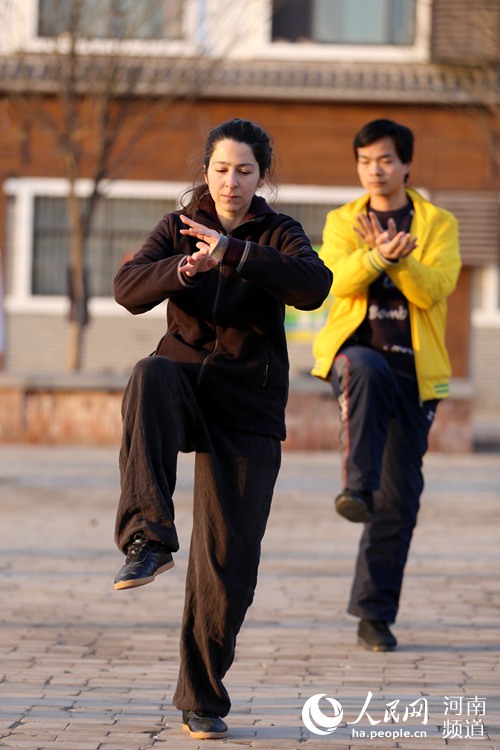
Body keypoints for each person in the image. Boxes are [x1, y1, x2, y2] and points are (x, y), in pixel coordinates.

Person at [112, 118, 333, 739]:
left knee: (227, 564)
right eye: (220, 169)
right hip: (182, 387)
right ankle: (147, 536)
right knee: (149, 373)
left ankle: (201, 696)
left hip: (248, 407)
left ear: (262, 177)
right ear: (204, 172)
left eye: (244, 170)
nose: (230, 181)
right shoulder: (178, 226)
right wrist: (184, 268)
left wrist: (233, 253)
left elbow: (314, 287)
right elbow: (128, 288)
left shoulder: (279, 233)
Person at [312, 118, 461, 652]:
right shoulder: (342, 222)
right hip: (355, 360)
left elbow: (435, 289)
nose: (375, 171)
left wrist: (397, 264)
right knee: (364, 367)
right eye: (365, 161)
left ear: (406, 164)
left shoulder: (438, 223)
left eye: (385, 160)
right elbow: (332, 280)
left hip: (414, 376)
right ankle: (355, 485)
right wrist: (377, 255)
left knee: (399, 502)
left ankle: (374, 616)